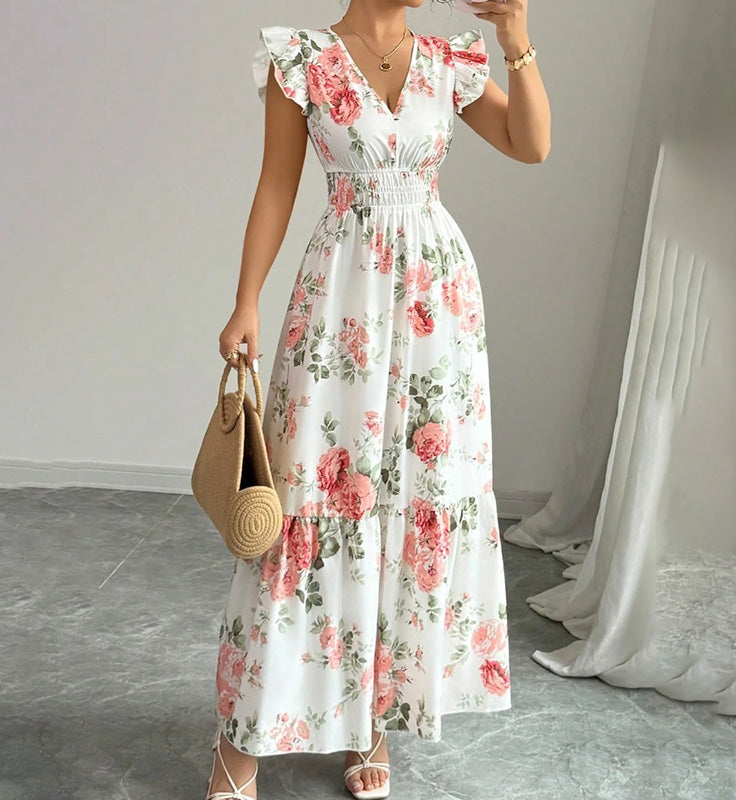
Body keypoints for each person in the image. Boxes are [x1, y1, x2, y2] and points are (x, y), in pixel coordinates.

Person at [206, 1, 550, 798]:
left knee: (409, 504)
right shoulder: (304, 59)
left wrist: (516, 43)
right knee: (310, 508)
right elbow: (276, 188)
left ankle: (372, 725)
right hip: (342, 302)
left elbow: (532, 146)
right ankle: (239, 747)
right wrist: (247, 300)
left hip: (438, 309)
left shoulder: (447, 59)